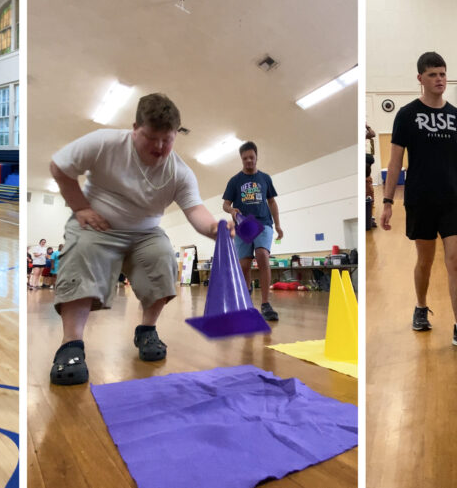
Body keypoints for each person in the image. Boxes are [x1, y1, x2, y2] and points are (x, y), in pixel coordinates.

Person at [48, 93, 225, 385]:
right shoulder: (105, 142)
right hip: (98, 226)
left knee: (163, 257)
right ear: (135, 128)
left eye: (167, 140)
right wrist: (80, 207)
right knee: (80, 254)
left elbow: (195, 210)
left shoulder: (180, 172)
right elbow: (60, 167)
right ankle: (71, 345)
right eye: (151, 138)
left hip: (145, 232)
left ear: (176, 135)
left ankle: (147, 331)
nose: (159, 147)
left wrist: (215, 228)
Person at [379, 51, 457, 351]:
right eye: (433, 74)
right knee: (425, 261)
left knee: (455, 260)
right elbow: (395, 158)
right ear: (420, 78)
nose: (439, 79)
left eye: (442, 73)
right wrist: (387, 201)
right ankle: (420, 306)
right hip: (420, 200)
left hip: (452, 200)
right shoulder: (406, 115)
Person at [222, 141, 284, 322]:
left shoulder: (265, 178)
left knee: (262, 255)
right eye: (245, 158)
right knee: (244, 266)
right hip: (244, 225)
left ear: (256, 157)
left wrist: (278, 224)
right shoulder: (234, 181)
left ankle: (265, 303)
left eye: (251, 157)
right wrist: (231, 210)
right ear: (241, 159)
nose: (249, 161)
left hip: (264, 223)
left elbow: (272, 202)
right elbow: (226, 203)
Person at [367, 124, 377, 228]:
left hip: (368, 178)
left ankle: (371, 218)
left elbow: (372, 134)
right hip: (364, 178)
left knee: (370, 198)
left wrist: (367, 126)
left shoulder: (366, 135)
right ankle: (369, 219)